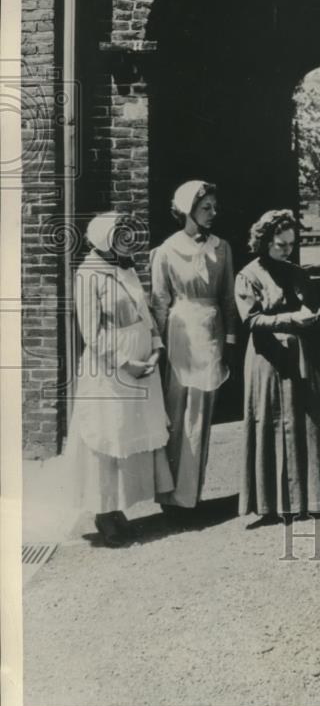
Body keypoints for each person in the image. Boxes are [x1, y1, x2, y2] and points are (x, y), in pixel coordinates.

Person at [66, 213, 173, 547]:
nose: (127, 239)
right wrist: (124, 363)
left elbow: (146, 317)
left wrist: (155, 349)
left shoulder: (126, 268)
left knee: (128, 434)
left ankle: (118, 509)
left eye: (129, 234)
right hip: (111, 371)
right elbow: (91, 332)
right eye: (120, 234)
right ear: (104, 237)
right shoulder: (88, 274)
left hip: (142, 366)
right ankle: (103, 512)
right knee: (107, 436)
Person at [235, 210, 320, 523]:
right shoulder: (249, 275)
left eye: (291, 245)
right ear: (264, 241)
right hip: (268, 358)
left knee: (304, 421)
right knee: (272, 423)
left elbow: (307, 308)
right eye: (281, 245)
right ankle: (273, 504)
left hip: (300, 357)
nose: (287, 250)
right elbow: (251, 319)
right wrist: (289, 320)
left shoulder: (297, 273)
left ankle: (309, 499)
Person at [150, 180, 237, 512]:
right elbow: (159, 301)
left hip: (211, 334)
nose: (214, 213)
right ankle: (169, 496)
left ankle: (189, 496)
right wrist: (157, 347)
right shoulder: (166, 250)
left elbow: (229, 299)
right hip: (179, 332)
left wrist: (229, 340)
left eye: (215, 207)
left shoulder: (222, 248)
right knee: (175, 412)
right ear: (188, 210)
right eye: (207, 208)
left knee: (200, 415)